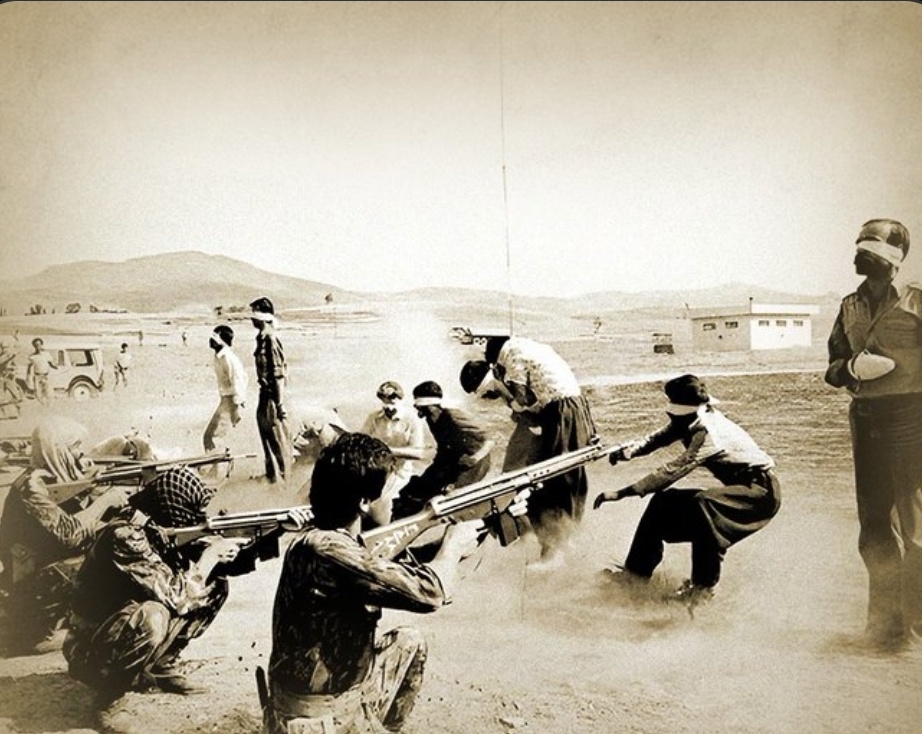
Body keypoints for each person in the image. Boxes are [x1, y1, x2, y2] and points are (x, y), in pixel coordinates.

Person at [263, 432, 486, 734]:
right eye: (391, 491)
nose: (395, 499)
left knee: (408, 642)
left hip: (342, 695)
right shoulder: (327, 551)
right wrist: (453, 546)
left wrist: (482, 524)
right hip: (315, 719)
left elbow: (388, 569)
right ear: (365, 502)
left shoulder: (329, 539)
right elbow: (428, 593)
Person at [64, 466, 309, 699]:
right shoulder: (126, 535)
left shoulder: (160, 525)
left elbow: (229, 566)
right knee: (154, 615)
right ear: (170, 508)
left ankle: (161, 666)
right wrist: (210, 557)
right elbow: (177, 597)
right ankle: (109, 690)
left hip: (121, 625)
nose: (195, 519)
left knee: (214, 585)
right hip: (88, 645)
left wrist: (279, 529)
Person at [593, 374, 781, 607]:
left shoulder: (708, 433)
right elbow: (660, 437)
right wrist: (630, 451)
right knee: (662, 503)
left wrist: (622, 493)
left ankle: (702, 590)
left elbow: (674, 470)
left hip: (760, 494)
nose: (672, 417)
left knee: (704, 504)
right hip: (744, 489)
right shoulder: (692, 418)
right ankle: (635, 575)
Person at [824, 218, 922, 652]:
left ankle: (915, 631)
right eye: (860, 249)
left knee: (916, 528)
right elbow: (832, 366)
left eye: (870, 251)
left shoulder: (916, 300)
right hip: (866, 419)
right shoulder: (850, 305)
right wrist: (849, 369)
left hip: (912, 416)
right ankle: (885, 629)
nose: (859, 257)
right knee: (875, 528)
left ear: (893, 259)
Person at [0, 416, 129, 654]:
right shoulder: (31, 488)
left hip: (42, 574)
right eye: (75, 447)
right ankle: (42, 633)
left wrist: (92, 487)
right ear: (57, 450)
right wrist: (105, 500)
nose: (81, 454)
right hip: (30, 586)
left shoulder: (49, 478)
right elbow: (70, 534)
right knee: (110, 551)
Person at [465, 335, 596, 565]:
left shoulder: (512, 356)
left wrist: (506, 395)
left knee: (561, 477)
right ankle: (548, 541)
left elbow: (523, 400)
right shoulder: (524, 350)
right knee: (539, 476)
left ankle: (560, 547)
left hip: (563, 409)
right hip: (561, 409)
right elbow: (530, 411)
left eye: (487, 392)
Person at [394, 381, 494, 518]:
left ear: (430, 406)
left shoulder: (453, 416)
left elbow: (489, 439)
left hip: (474, 464)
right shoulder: (431, 419)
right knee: (416, 489)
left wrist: (475, 458)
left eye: (421, 406)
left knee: (448, 495)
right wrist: (431, 475)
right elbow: (444, 448)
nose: (418, 410)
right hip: (452, 461)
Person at [361, 380, 427, 503]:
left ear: (401, 400)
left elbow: (419, 453)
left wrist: (387, 450)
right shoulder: (374, 418)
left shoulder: (412, 419)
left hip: (400, 473)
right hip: (376, 470)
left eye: (392, 402)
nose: (388, 406)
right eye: (384, 401)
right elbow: (361, 442)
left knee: (384, 502)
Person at [250, 297, 292, 485]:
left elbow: (278, 375)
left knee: (278, 440)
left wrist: (280, 404)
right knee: (267, 440)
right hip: (265, 395)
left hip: (273, 398)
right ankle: (273, 479)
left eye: (254, 314)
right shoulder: (261, 338)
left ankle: (284, 482)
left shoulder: (270, 339)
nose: (251, 319)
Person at [203, 325, 249, 453]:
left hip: (231, 401)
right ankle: (215, 461)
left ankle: (217, 464)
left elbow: (239, 379)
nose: (210, 340)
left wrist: (237, 406)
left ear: (222, 341)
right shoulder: (218, 356)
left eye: (214, 338)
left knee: (214, 437)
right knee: (209, 437)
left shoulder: (228, 357)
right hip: (225, 400)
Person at [26, 337, 57, 404]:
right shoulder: (32, 356)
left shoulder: (46, 354)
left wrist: (57, 367)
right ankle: (42, 406)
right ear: (34, 346)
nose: (38, 346)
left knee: (49, 394)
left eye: (39, 344)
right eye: (36, 345)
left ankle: (49, 407)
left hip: (46, 376)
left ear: (42, 345)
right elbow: (29, 367)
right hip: (37, 377)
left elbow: (51, 364)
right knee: (38, 395)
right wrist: (28, 378)